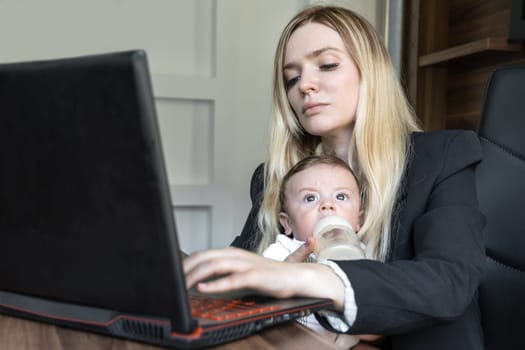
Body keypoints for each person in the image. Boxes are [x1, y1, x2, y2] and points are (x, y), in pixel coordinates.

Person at [184, 5, 485, 350]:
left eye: (326, 65)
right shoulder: (274, 178)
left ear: (369, 71)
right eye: (291, 78)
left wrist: (307, 278)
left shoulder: (442, 157)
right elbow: (241, 277)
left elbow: (450, 282)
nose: (305, 86)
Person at [263, 154, 367, 349]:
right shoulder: (281, 251)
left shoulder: (363, 256)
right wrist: (283, 273)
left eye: (341, 196)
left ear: (358, 222)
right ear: (287, 223)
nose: (327, 205)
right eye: (310, 198)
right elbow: (257, 296)